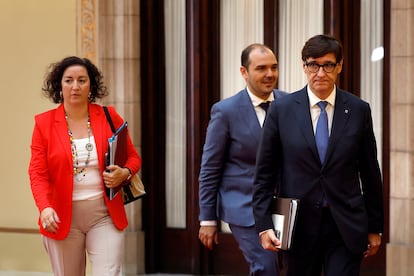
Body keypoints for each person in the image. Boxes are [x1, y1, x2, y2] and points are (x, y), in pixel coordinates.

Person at [252, 34, 384, 276]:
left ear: (340, 66)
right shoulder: (281, 110)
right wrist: (263, 225)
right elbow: (264, 173)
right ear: (304, 66)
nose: (320, 73)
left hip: (345, 225)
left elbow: (370, 172)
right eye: (313, 65)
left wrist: (375, 227)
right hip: (298, 225)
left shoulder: (357, 110)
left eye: (328, 65)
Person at [28, 56, 141, 276]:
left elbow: (133, 158)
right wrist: (45, 208)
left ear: (91, 85)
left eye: (82, 80)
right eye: (68, 80)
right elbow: (37, 173)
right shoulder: (44, 124)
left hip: (104, 215)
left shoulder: (109, 116)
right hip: (61, 218)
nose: (75, 86)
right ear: (59, 86)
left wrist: (124, 173)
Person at [198, 43, 287, 275]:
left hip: (286, 206)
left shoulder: (291, 105)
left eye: (274, 67)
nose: (270, 74)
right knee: (265, 267)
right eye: (261, 68)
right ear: (244, 72)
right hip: (245, 207)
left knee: (287, 267)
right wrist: (207, 219)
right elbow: (210, 168)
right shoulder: (225, 111)